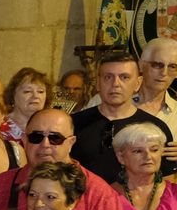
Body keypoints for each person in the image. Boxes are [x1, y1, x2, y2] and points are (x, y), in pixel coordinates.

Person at [0, 108, 131, 210]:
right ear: (24, 141)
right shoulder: (1, 185)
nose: (45, 145)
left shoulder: (97, 192)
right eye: (36, 137)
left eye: (55, 138)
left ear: (71, 143)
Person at [74, 50, 176, 183]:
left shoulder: (155, 128)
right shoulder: (74, 123)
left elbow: (167, 183)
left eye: (124, 77)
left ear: (138, 83)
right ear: (98, 83)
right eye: (108, 77)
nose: (115, 84)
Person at [133, 36, 177, 128]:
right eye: (157, 65)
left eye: (172, 67)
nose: (164, 73)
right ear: (141, 65)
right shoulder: (108, 103)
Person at [1, 67, 52, 144]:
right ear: (12, 95)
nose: (35, 96)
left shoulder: (52, 126)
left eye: (40, 91)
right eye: (27, 91)